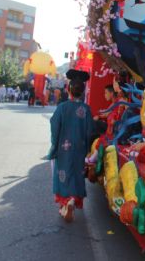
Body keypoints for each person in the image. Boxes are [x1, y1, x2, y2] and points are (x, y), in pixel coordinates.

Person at [48, 69, 94, 222]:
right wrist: (87, 148)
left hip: (63, 148)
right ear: (82, 92)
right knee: (76, 173)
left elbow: (55, 126)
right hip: (79, 148)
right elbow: (90, 131)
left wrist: (55, 144)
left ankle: (66, 202)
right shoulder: (86, 110)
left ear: (68, 90)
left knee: (63, 174)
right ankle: (73, 199)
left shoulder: (62, 107)